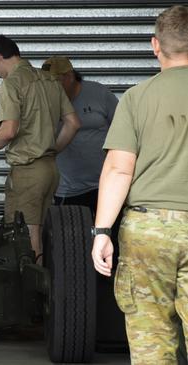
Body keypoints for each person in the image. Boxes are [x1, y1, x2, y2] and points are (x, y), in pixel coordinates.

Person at [91, 5, 188, 364]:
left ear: (155, 45)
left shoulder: (136, 98)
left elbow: (118, 169)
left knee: (152, 343)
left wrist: (102, 231)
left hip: (148, 231)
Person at [0, 35, 80, 261]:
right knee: (40, 234)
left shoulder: (11, 83)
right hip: (51, 170)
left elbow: (8, 130)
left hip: (28, 173)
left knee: (27, 238)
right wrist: (51, 150)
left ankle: (33, 294)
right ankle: (45, 288)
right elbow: (73, 124)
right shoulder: (49, 80)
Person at [42, 56, 119, 214]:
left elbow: (123, 128)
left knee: (111, 235)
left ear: (69, 77)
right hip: (69, 190)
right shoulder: (45, 101)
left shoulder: (98, 93)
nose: (50, 88)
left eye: (54, 83)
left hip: (105, 184)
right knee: (71, 236)